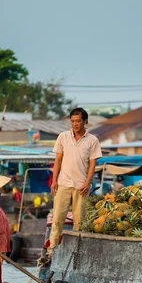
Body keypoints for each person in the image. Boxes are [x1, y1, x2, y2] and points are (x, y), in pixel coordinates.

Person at [48, 107, 102, 258]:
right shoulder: (63, 137)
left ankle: (78, 252)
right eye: (72, 121)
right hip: (63, 183)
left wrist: (87, 183)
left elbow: (92, 164)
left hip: (81, 187)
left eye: (78, 121)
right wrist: (54, 181)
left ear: (85, 122)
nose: (75, 124)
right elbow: (57, 160)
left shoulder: (93, 141)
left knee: (79, 222)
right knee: (57, 219)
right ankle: (52, 250)